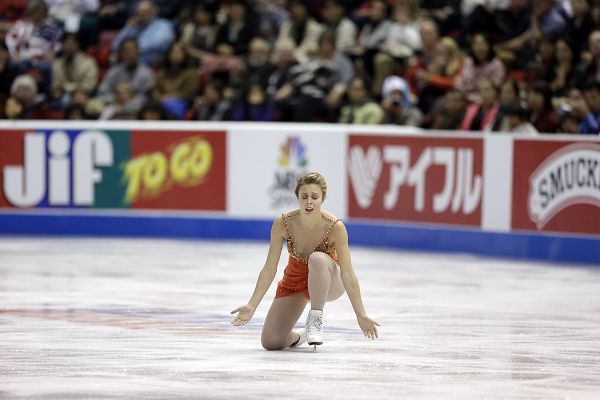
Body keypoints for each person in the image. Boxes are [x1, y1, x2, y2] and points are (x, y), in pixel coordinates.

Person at [230, 172, 380, 351]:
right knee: (271, 342)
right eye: (304, 196)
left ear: (322, 199)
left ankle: (316, 320)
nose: (309, 201)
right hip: (296, 279)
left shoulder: (335, 227)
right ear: (298, 198)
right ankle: (300, 335)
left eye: (314, 197)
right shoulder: (282, 223)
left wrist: (360, 314)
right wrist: (251, 305)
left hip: (330, 279)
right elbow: (269, 269)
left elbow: (348, 273)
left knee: (317, 259)